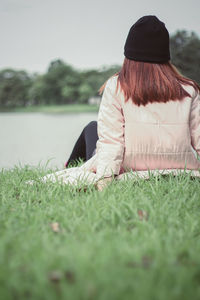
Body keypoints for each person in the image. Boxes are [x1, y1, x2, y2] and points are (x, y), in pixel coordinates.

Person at [40, 15, 200, 190]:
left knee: (91, 128)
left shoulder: (116, 86)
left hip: (129, 165)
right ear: (165, 55)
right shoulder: (189, 89)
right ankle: (71, 165)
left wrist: (104, 182)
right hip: (180, 166)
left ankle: (69, 166)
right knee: (92, 128)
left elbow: (112, 142)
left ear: (129, 55)